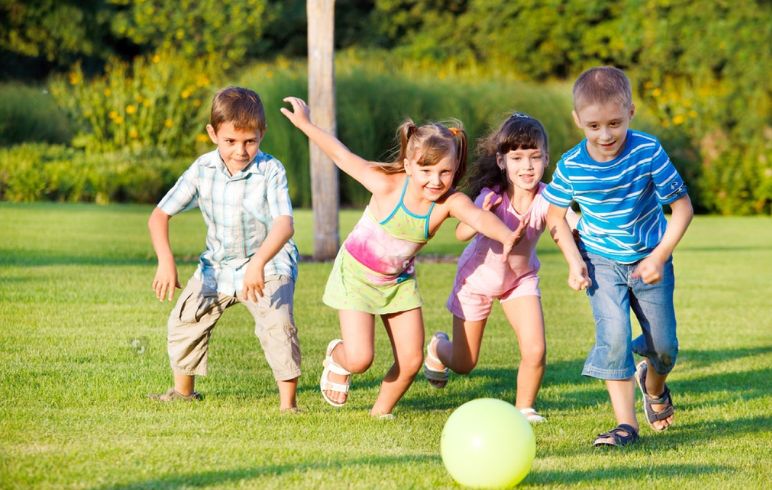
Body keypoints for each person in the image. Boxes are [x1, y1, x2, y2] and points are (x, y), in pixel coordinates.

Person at [281, 96, 525, 417]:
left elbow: (477, 217)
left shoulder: (447, 203)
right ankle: (339, 358)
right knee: (360, 358)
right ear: (409, 165)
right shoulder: (385, 184)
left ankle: (379, 413)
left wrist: (507, 235)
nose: (435, 181)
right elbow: (341, 155)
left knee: (410, 361)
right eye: (426, 170)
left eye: (445, 172)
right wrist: (306, 124)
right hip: (356, 276)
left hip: (397, 283)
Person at [543, 66, 693, 447]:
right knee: (613, 337)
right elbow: (554, 215)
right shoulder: (572, 165)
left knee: (665, 347)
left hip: (649, 260)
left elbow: (682, 208)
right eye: (593, 126)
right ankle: (626, 425)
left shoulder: (647, 151)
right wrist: (575, 261)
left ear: (631, 112)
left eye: (614, 123)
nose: (605, 135)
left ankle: (653, 383)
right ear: (578, 120)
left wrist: (659, 256)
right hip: (601, 262)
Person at [147, 87, 301, 412]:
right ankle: (183, 392)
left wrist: (259, 262)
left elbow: (284, 225)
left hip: (268, 264)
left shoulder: (271, 171)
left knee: (278, 325)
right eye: (230, 141)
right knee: (185, 319)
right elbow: (160, 215)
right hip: (217, 267)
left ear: (262, 134)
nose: (241, 151)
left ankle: (289, 405)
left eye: (250, 141)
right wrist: (165, 260)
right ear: (213, 133)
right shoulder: (202, 169)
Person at [422, 113, 578, 424]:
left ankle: (524, 409)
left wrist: (581, 253)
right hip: (476, 281)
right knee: (465, 363)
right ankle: (438, 348)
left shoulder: (548, 197)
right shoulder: (491, 196)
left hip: (519, 281)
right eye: (517, 157)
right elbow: (461, 233)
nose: (527, 166)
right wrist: (481, 213)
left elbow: (567, 225)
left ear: (547, 158)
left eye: (535, 157)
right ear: (502, 161)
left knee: (535, 349)